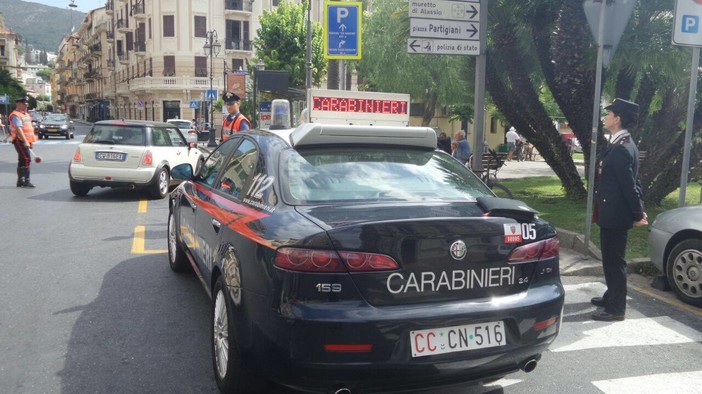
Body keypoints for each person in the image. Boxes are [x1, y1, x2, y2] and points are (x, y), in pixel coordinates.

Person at [591, 98, 648, 322]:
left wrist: (638, 213)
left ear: (618, 119)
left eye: (609, 114)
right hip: (612, 212)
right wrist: (639, 208)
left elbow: (629, 186)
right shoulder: (622, 144)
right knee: (610, 259)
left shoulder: (622, 149)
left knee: (615, 262)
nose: (606, 117)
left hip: (616, 215)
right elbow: (636, 181)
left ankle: (616, 309)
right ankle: (611, 295)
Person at [9, 97, 37, 188]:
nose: (26, 105)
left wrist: (30, 142)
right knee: (26, 159)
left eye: (26, 103)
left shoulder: (26, 114)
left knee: (21, 160)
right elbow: (19, 129)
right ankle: (26, 181)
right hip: (20, 140)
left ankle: (20, 181)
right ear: (18, 104)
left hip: (26, 141)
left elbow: (28, 129)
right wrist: (25, 141)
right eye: (24, 103)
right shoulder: (15, 115)